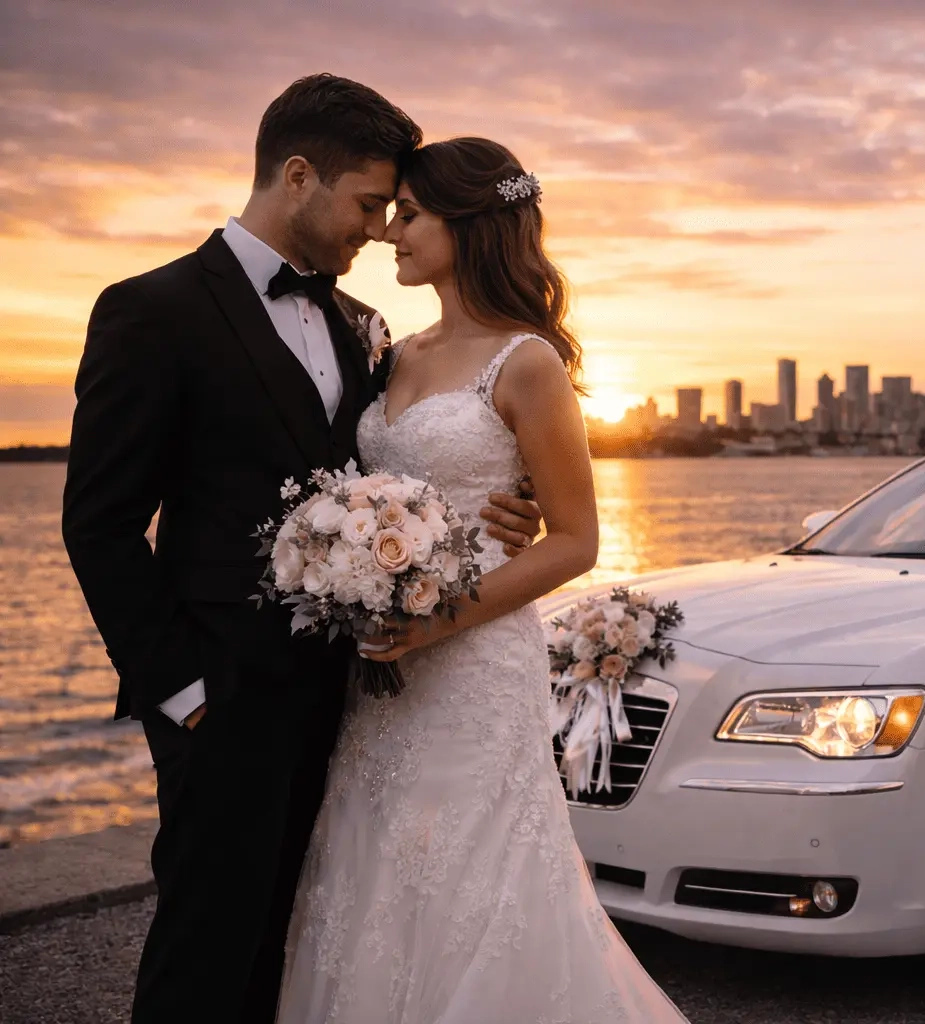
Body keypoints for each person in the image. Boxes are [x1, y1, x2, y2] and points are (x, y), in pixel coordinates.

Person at [60, 76, 542, 1024]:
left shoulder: (363, 328)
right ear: (296, 176)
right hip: (221, 698)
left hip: (355, 700)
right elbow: (99, 524)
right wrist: (183, 695)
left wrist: (502, 508)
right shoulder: (151, 310)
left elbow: (403, 468)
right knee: (205, 956)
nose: (378, 229)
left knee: (302, 953)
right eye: (368, 204)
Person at [274, 136, 689, 1023]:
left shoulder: (526, 362)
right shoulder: (389, 353)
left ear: (468, 225)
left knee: (480, 879)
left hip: (472, 665)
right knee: (374, 871)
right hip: (381, 675)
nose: (390, 234)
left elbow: (575, 541)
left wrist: (437, 621)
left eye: (411, 215)